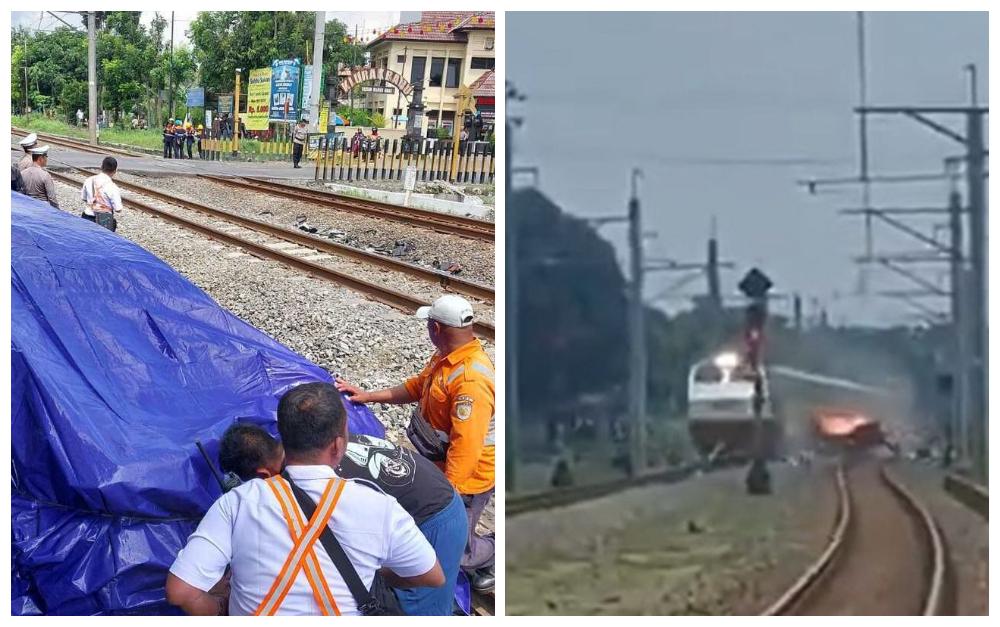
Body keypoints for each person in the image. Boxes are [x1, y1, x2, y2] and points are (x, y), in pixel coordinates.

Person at [166, 383, 445, 616]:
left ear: (283, 438)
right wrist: (380, 574)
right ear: (338, 445)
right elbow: (432, 576)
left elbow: (180, 591)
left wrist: (218, 608)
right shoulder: (380, 507)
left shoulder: (236, 503)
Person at [218, 424, 467, 616]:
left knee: (419, 607)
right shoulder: (304, 448)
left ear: (263, 474)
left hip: (435, 515)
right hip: (427, 487)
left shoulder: (310, 483)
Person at [336, 295, 495, 592]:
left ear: (435, 328)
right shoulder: (447, 359)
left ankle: (492, 554)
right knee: (441, 536)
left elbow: (467, 447)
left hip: (468, 478)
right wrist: (369, 396)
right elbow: (417, 387)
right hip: (440, 464)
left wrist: (446, 499)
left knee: (452, 546)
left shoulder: (470, 380)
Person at [80, 156, 124, 232]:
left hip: (87, 217)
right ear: (115, 171)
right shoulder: (113, 187)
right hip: (104, 222)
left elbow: (83, 198)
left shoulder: (89, 180)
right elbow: (118, 209)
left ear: (101, 167)